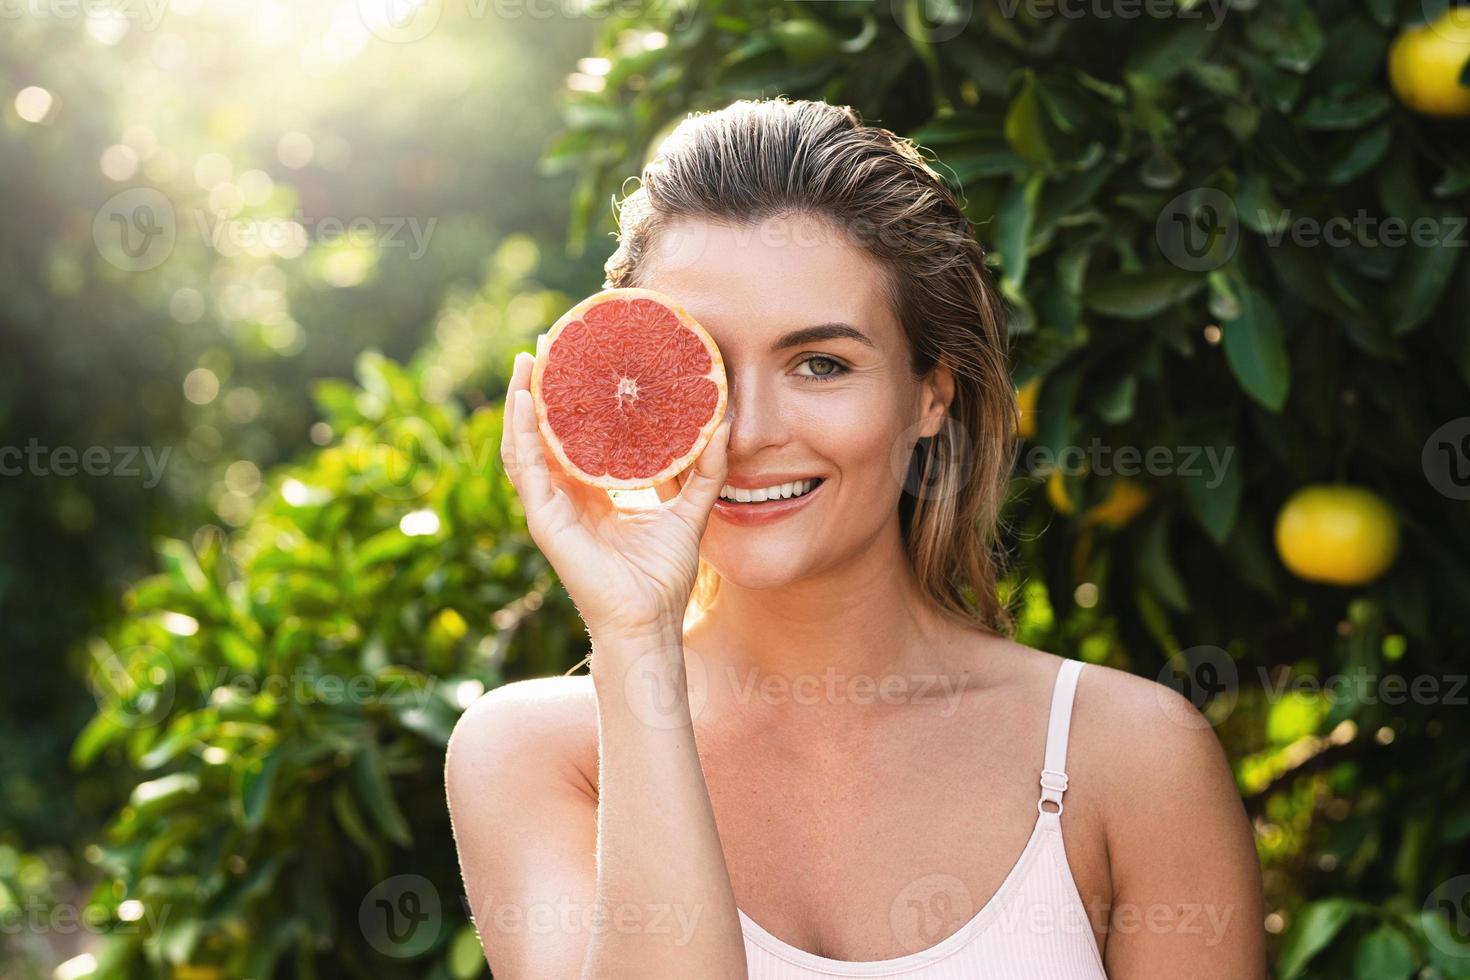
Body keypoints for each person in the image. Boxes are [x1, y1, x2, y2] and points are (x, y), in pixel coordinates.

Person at [445, 97, 1265, 979]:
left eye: (820, 364)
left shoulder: (1130, 755)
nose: (753, 429)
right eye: (707, 364)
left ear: (929, 397)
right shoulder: (537, 756)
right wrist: (636, 639)